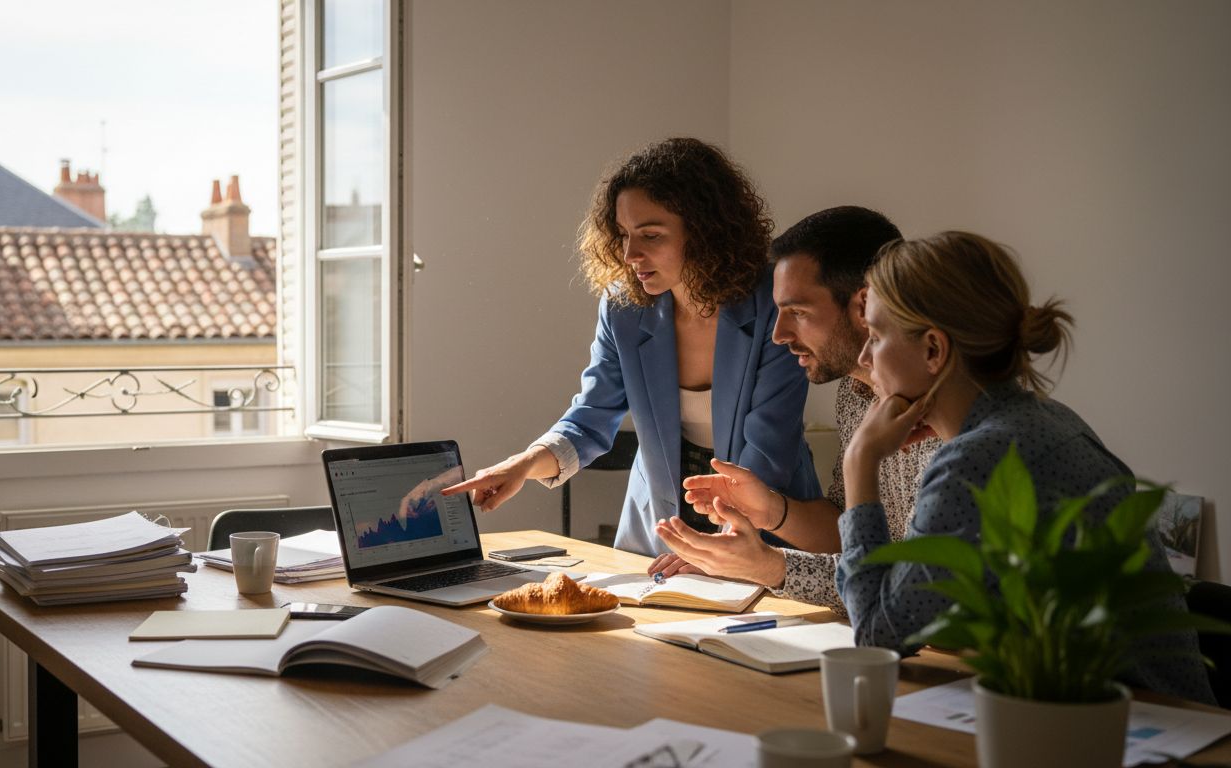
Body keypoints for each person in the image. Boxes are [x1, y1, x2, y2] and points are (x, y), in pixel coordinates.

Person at [837, 230, 1213, 704]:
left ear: (933, 350)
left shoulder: (979, 458)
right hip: (1160, 715)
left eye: (874, 336)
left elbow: (875, 635)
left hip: (1135, 726)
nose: (863, 358)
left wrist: (859, 462)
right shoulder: (1045, 419)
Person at [443, 138, 820, 556]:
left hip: (762, 528)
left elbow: (768, 450)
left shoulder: (774, 304)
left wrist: (718, 551)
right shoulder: (624, 308)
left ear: (706, 232)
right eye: (622, 234)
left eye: (650, 235)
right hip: (657, 530)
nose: (629, 254)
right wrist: (526, 463)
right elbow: (590, 419)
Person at [650, 207, 939, 614]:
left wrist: (770, 567)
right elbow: (847, 533)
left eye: (799, 313)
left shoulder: (948, 422)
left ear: (864, 305)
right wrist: (770, 510)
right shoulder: (857, 394)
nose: (779, 335)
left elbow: (915, 596)